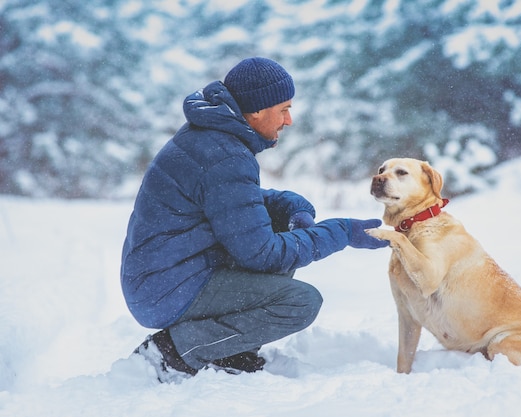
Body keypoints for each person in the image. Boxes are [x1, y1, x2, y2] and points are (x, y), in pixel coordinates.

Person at [121, 57, 388, 383]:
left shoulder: (211, 137)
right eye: (284, 109)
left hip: (163, 276)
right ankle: (174, 352)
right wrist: (341, 232)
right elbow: (262, 254)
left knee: (277, 230)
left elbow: (232, 201)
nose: (289, 120)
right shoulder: (225, 154)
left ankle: (229, 350)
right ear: (258, 110)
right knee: (299, 303)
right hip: (165, 289)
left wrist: (290, 206)